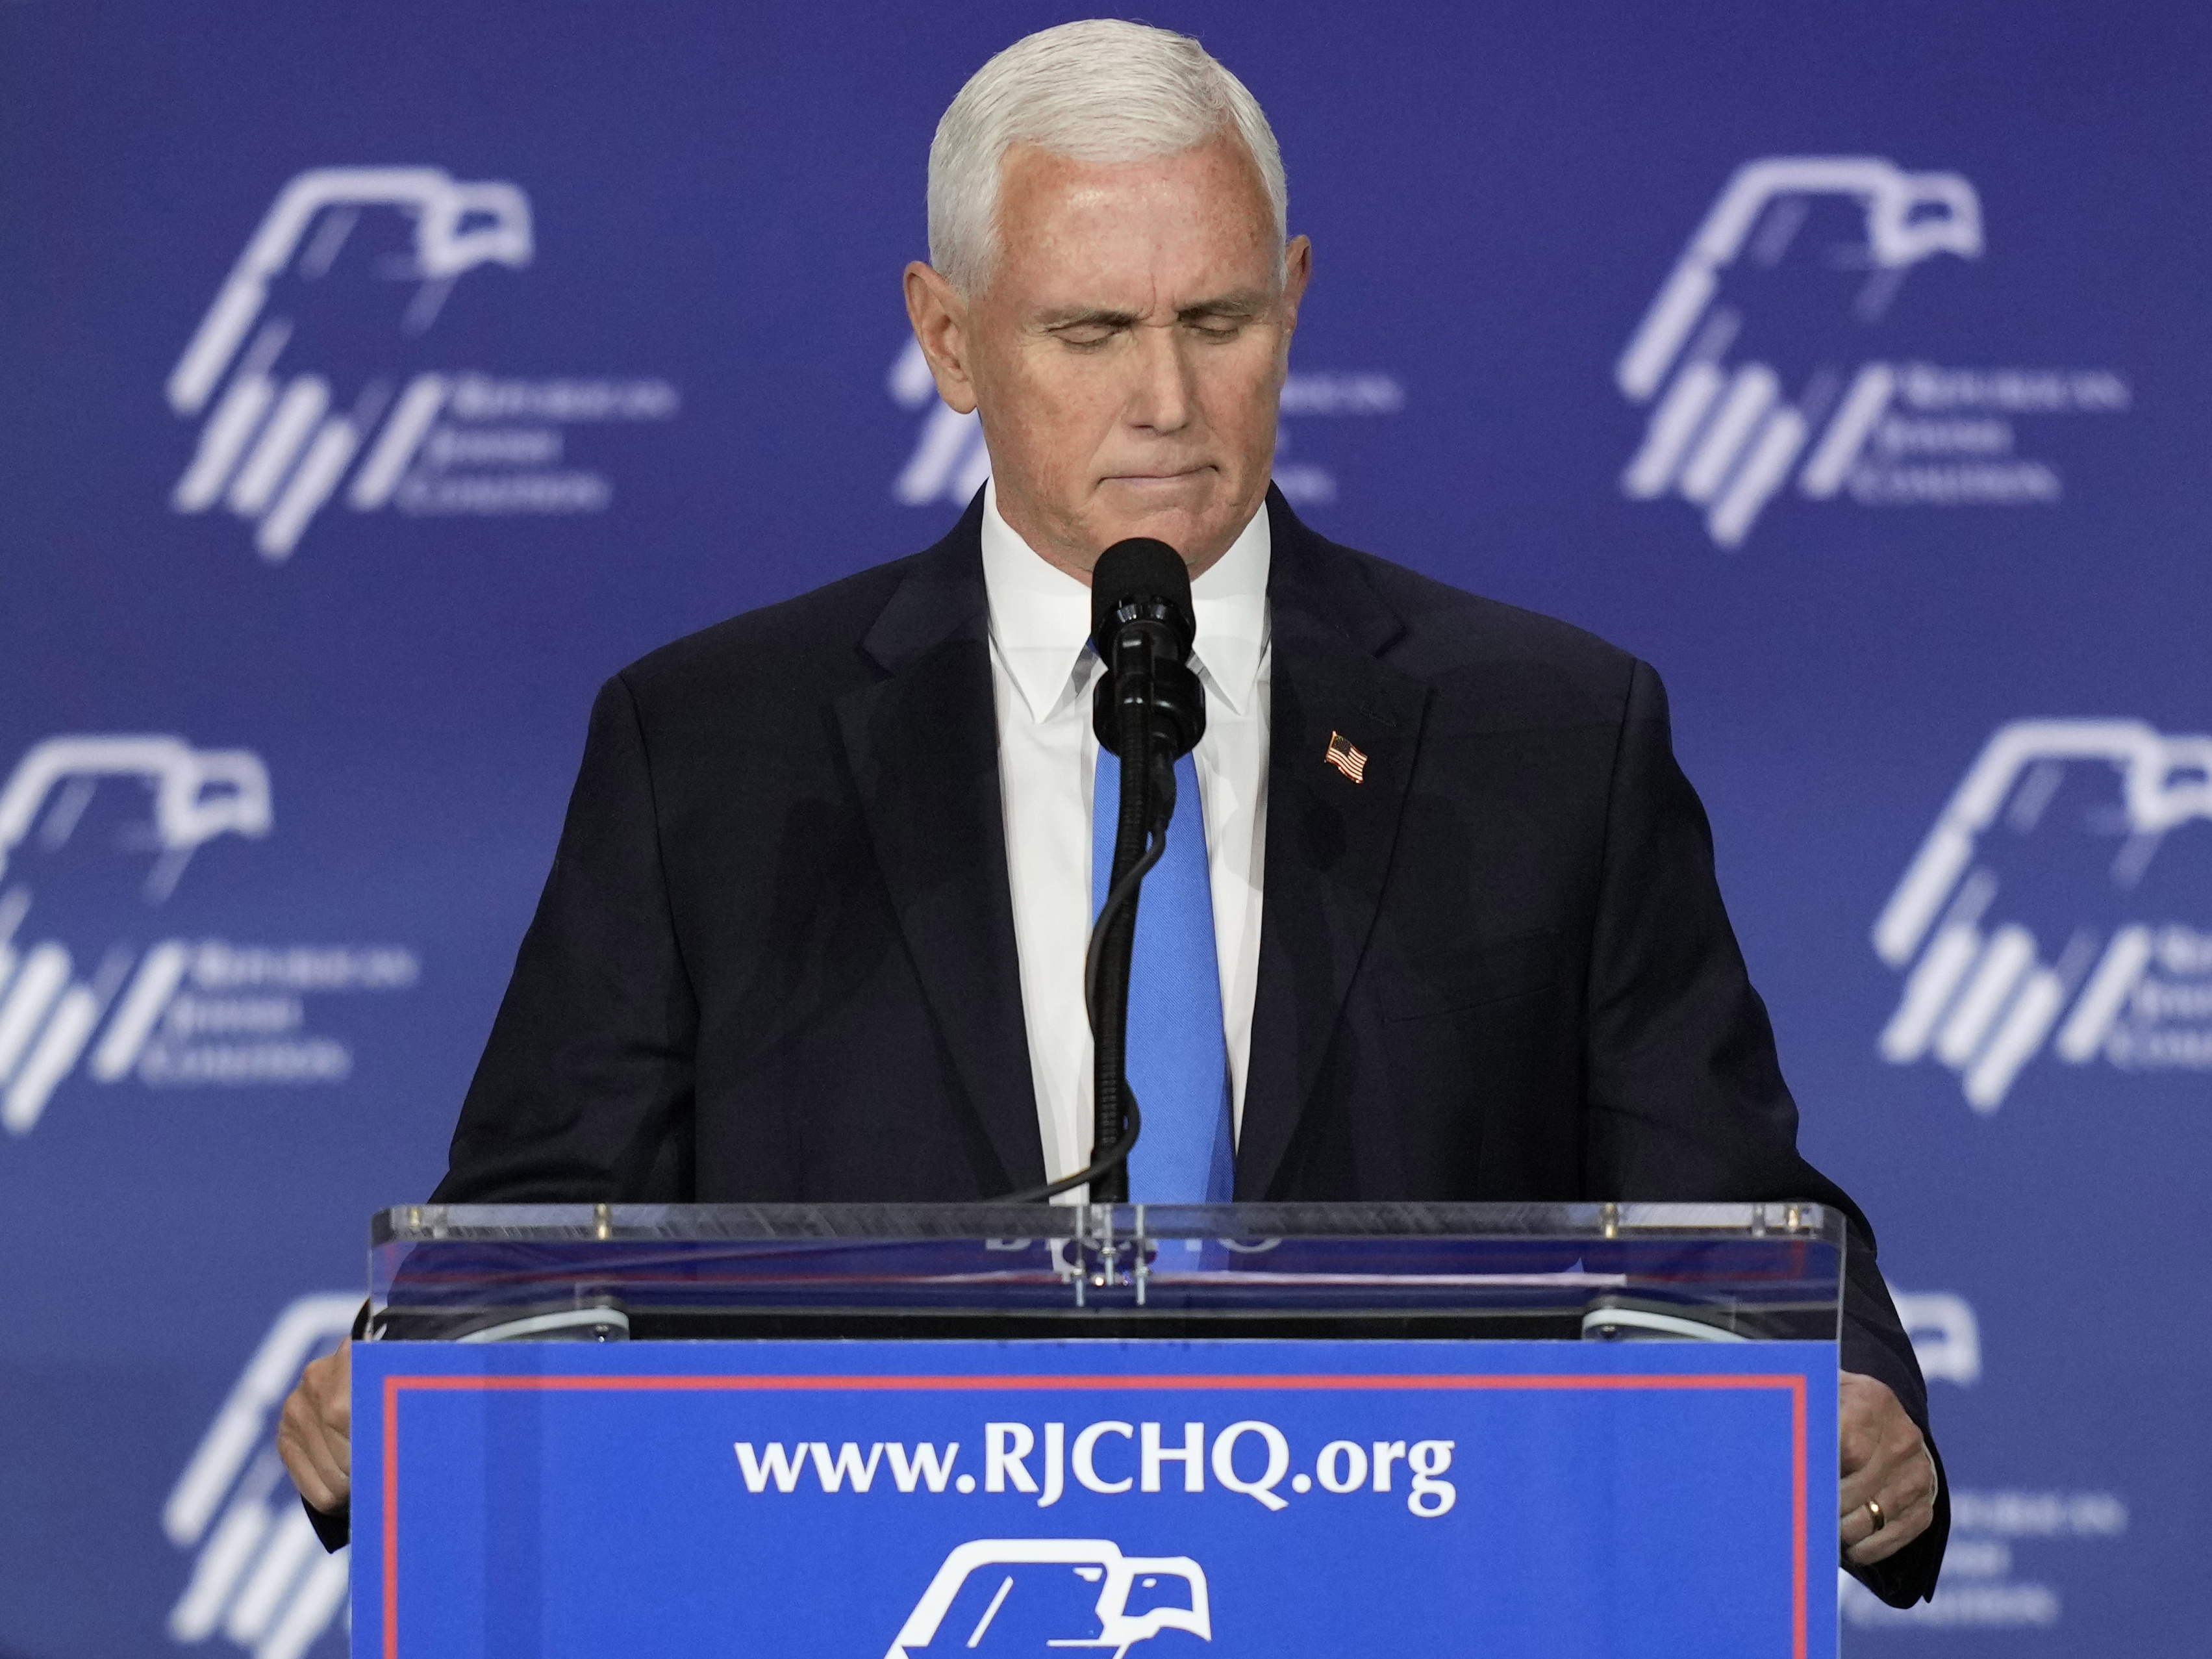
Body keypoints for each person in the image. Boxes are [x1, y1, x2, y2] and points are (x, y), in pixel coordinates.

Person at [279, 18, 1945, 1604]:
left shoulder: (1547, 732)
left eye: (1217, 321)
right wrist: (406, 1377)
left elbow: (1722, 1208)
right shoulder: (714, 748)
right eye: (1089, 331)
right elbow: (523, 1238)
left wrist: (1852, 1396)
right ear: (948, 339)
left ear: (1292, 303)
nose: (1165, 396)